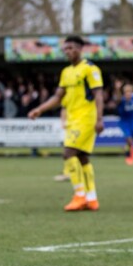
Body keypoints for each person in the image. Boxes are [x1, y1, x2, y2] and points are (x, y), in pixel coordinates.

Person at [28, 36, 104, 211]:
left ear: (80, 49)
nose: (67, 51)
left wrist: (99, 119)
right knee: (82, 157)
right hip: (72, 119)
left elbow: (98, 95)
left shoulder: (90, 68)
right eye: (65, 49)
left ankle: (79, 195)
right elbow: (57, 97)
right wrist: (39, 109)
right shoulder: (66, 72)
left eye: (71, 48)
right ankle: (92, 198)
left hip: (86, 119)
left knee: (68, 153)